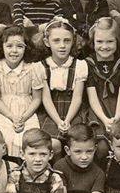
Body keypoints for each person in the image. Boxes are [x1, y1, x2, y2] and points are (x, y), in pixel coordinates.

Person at [85, 17, 120, 161]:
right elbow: (92, 96)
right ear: (93, 42)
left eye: (110, 41)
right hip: (98, 109)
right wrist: (104, 119)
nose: (104, 46)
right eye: (99, 42)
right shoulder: (88, 63)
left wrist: (117, 118)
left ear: (117, 41)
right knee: (102, 147)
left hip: (118, 108)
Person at [0, 26, 43, 157]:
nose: (14, 51)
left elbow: (36, 99)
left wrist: (23, 118)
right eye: (9, 46)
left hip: (27, 111)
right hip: (4, 111)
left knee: (30, 140)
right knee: (5, 138)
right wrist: (12, 117)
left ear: (26, 48)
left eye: (19, 46)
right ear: (2, 47)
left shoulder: (34, 68)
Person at [36, 18, 88, 158]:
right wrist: (59, 122)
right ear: (47, 42)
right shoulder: (41, 67)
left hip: (73, 111)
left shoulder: (80, 65)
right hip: (51, 112)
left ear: (73, 41)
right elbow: (46, 98)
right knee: (52, 144)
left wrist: (68, 120)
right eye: (56, 41)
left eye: (67, 41)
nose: (62, 46)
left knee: (79, 142)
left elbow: (77, 97)